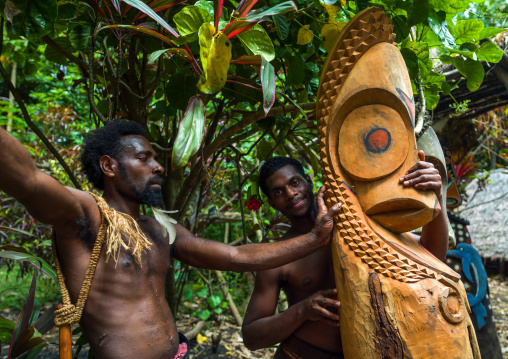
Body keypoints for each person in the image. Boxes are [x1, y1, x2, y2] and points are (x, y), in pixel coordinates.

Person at [0, 121, 341, 359]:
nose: (159, 167)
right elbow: (28, 180)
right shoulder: (85, 216)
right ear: (109, 166)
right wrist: (313, 239)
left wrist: (314, 239)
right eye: (144, 158)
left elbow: (235, 256)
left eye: (156, 158)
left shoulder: (158, 229)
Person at [241, 155, 449, 359]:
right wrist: (303, 310)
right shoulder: (279, 255)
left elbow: (431, 257)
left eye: (294, 182)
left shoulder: (357, 221)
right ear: (272, 203)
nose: (290, 193)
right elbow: (252, 337)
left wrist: (436, 196)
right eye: (278, 192)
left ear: (309, 181)